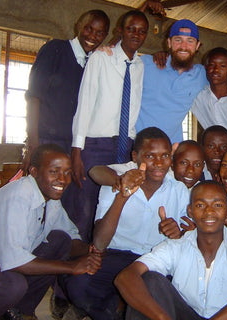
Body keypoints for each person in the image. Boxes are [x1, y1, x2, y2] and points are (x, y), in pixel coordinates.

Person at [0, 144, 102, 320]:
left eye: (67, 172)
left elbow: (70, 237)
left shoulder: (50, 199)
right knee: (11, 284)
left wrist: (92, 252)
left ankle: (20, 312)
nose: (63, 179)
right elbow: (16, 261)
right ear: (34, 172)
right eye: (54, 171)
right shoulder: (18, 196)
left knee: (60, 241)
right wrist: (73, 267)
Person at [64, 127, 190, 320]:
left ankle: (121, 308)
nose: (158, 163)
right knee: (78, 284)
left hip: (155, 260)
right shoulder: (116, 180)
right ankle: (115, 310)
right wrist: (123, 196)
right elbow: (99, 243)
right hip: (117, 254)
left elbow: (187, 240)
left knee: (165, 290)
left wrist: (178, 234)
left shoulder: (179, 190)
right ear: (135, 157)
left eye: (164, 155)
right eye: (150, 155)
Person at [115, 180, 227, 320]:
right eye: (201, 205)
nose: (209, 211)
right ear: (190, 211)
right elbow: (125, 277)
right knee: (149, 282)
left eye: (218, 205)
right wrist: (161, 317)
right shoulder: (176, 246)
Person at [67, 10, 149, 243]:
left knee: (113, 204)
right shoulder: (100, 58)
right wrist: (77, 151)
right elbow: (85, 104)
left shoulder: (140, 65)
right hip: (95, 145)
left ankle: (102, 258)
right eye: (131, 29)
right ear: (120, 31)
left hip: (124, 147)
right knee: (85, 209)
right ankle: (76, 268)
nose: (136, 34)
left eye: (142, 31)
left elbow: (133, 107)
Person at [23, 10, 110, 172]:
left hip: (75, 146)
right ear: (78, 26)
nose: (92, 36)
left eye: (100, 33)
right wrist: (33, 145)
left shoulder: (93, 62)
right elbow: (34, 97)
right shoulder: (55, 50)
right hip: (46, 142)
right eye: (88, 28)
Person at [135, 19, 208, 143]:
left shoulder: (202, 75)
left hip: (171, 150)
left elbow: (225, 82)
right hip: (137, 146)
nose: (183, 46)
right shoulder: (146, 64)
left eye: (189, 41)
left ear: (197, 46)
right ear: (169, 43)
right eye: (178, 40)